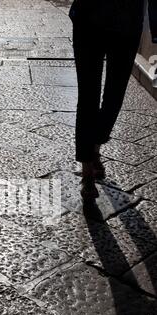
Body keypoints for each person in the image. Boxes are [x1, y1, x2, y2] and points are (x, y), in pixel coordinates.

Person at [69, 0, 157, 199]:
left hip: (127, 25)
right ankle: (87, 171)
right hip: (88, 20)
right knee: (88, 96)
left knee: (114, 97)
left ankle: (94, 148)